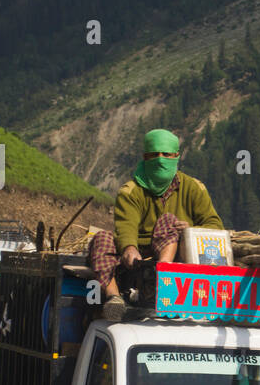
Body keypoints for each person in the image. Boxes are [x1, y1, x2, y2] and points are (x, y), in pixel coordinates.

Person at [88, 129, 223, 320]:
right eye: (154, 155)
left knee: (169, 220)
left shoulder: (193, 188)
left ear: (176, 156)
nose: (160, 160)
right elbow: (126, 225)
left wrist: (191, 230)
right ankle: (114, 299)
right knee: (101, 238)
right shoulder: (131, 191)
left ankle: (162, 279)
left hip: (172, 251)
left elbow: (215, 225)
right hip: (138, 256)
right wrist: (129, 247)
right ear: (145, 157)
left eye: (166, 155)